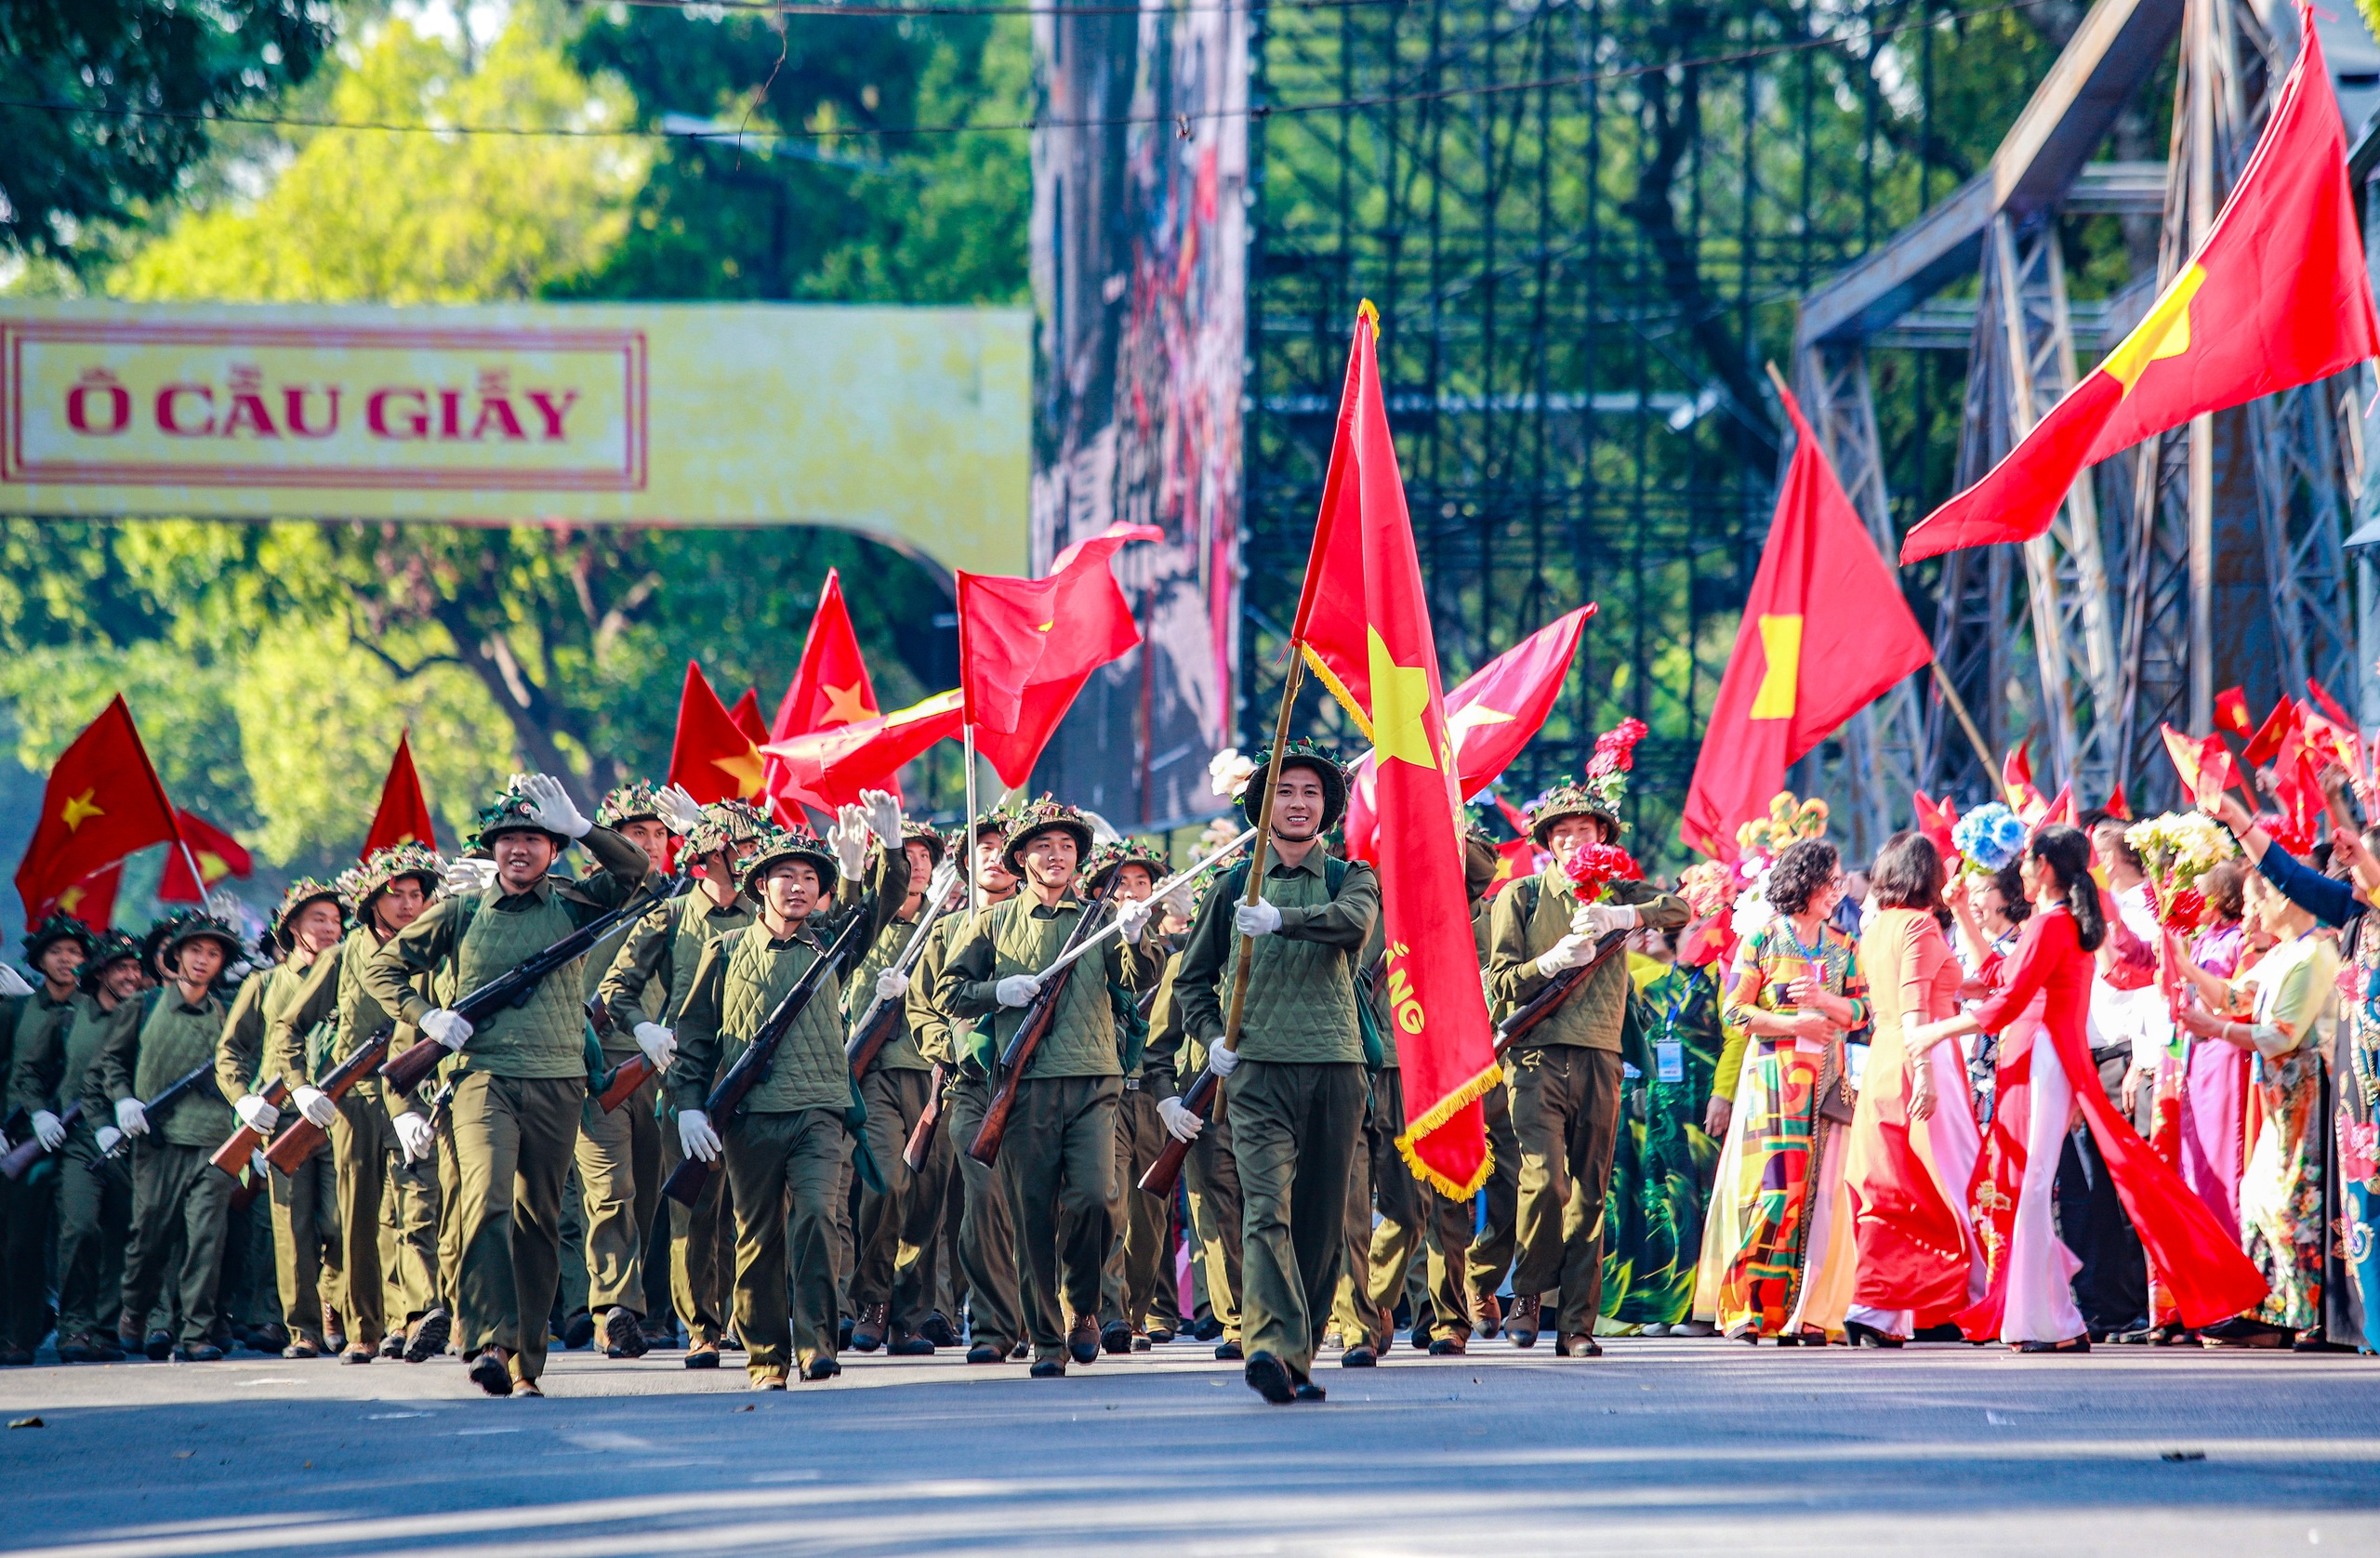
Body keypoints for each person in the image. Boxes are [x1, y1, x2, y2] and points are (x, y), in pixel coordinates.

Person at [1908, 825, 2268, 1352]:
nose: (2022, 872)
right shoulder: (2058, 923)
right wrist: (1963, 913)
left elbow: (2006, 1002)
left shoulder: (2051, 924)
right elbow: (1999, 976)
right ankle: (2053, 1318)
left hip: (2042, 1060)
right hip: (2042, 1059)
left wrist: (1936, 1030)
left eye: (2028, 862)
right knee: (2031, 1187)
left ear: (2046, 868)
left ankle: (2040, 1321)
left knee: (2032, 1189)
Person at [362, 774, 655, 1397]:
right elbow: (382, 967)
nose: (519, 849)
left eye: (534, 838)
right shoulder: (460, 912)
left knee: (537, 1221)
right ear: (492, 850)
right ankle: (488, 1339)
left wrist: (583, 828)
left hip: (557, 1079)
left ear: (552, 849)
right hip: (480, 1079)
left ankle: (525, 1362)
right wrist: (426, 1015)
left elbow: (634, 872)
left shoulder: (575, 904)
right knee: (485, 1200)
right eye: (507, 840)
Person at [670, 798, 907, 1387]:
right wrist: (690, 1108)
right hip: (750, 1117)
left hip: (820, 1112)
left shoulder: (832, 944)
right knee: (757, 1237)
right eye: (786, 876)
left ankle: (818, 1343)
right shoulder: (723, 951)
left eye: (809, 878)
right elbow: (695, 1036)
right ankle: (766, 1358)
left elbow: (877, 905)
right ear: (760, 886)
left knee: (817, 1223)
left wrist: (890, 850)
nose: (798, 887)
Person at [1168, 742, 1379, 1403]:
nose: (1297, 803)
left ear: (1326, 809)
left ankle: (1300, 1354)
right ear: (1263, 805)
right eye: (1284, 791)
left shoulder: (1351, 877)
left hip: (1336, 1069)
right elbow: (1193, 983)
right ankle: (1267, 1345)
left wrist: (1282, 920)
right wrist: (1210, 1040)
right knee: (1265, 1211)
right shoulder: (1230, 887)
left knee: (1322, 1224)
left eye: (1310, 793)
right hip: (1255, 1072)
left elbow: (1353, 927)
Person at [1488, 739, 1689, 1357]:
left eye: (1587, 830)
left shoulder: (1620, 892)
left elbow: (1681, 909)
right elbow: (1498, 983)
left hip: (1601, 1054)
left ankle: (1576, 1324)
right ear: (1548, 843)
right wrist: (1548, 962)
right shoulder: (1519, 897)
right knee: (1545, 1183)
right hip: (1535, 1054)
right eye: (1565, 833)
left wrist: (1620, 920)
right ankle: (1526, 1294)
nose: (1576, 841)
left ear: (1602, 836)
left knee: (1592, 1191)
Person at [939, 799, 1142, 1378]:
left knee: (1095, 1198)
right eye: (1045, 847)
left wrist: (1134, 936)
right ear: (1022, 856)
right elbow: (950, 990)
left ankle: (1083, 1304)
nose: (1058, 857)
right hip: (1025, 1086)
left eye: (1069, 848)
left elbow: (1135, 983)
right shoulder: (991, 922)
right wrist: (998, 991)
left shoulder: (1098, 919)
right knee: (1030, 1217)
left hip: (1093, 1080)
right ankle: (1047, 1340)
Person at [601, 798, 772, 1368]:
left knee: (757, 1207)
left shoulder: (766, 911)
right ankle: (702, 1324)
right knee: (696, 1206)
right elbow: (617, 988)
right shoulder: (670, 915)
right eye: (743, 849)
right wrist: (643, 1027)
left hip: (757, 1074)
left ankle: (755, 1318)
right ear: (710, 857)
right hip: (689, 1077)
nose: (753, 858)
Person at [1344, 831, 1501, 1359]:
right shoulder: (1361, 891)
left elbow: (1480, 869)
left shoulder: (1448, 896)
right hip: (1370, 1065)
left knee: (1433, 1205)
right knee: (1373, 1210)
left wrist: (1435, 819)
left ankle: (1420, 1311)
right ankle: (1363, 1319)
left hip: (1437, 1066)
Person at [566, 781, 701, 1356]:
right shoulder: (579, 898)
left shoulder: (677, 901)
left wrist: (703, 835)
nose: (650, 845)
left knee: (651, 1194)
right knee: (611, 1190)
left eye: (659, 835)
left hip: (660, 1068)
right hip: (597, 1067)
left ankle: (645, 1309)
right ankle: (612, 1309)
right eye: (636, 835)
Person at [1714, 837, 1867, 1343]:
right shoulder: (1761, 940)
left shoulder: (1845, 945)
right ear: (1804, 882)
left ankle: (1807, 1315)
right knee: (1771, 1193)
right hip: (1773, 1089)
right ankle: (1746, 1311)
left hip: (1827, 1088)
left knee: (1821, 1202)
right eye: (1831, 880)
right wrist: (1792, 1022)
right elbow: (1734, 1011)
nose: (1836, 890)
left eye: (1839, 881)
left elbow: (1865, 1012)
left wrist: (1826, 1002)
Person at [2175, 868, 2336, 1346]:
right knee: (2263, 1195)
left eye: (2253, 901)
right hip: (2277, 1095)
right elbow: (2234, 997)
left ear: (2283, 900)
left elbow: (2279, 1035)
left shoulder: (2313, 955)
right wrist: (2185, 968)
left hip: (2304, 1092)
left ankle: (2305, 1315)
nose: (2248, 912)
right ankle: (2268, 1309)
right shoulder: (2285, 953)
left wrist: (2215, 1029)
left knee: (2293, 1202)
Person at [1842, 832, 1979, 1346]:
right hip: (1923, 1054)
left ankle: (1885, 1305)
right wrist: (1924, 1071)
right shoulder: (1921, 925)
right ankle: (1948, 1301)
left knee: (1894, 1183)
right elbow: (1916, 1001)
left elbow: (1911, 989)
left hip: (1882, 1053)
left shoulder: (1874, 927)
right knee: (1948, 1179)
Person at [100, 912, 245, 1362]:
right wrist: (123, 1100)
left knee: (206, 1237)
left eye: (214, 953)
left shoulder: (229, 1012)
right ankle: (136, 1309)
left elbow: (244, 1065)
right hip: (157, 1141)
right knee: (150, 1237)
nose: (203, 961)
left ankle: (196, 1332)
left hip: (214, 1141)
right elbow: (111, 1064)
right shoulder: (140, 1008)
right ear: (175, 957)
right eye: (196, 951)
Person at [911, 807, 1027, 1365]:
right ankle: (992, 1327)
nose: (997, 856)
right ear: (964, 862)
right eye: (985, 848)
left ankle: (1045, 1316)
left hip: (1040, 1083)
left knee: (1043, 1206)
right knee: (983, 1207)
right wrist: (954, 1047)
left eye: (1007, 846)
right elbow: (923, 1009)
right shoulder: (946, 932)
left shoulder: (1047, 924)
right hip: (973, 1088)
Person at [222, 879, 352, 1359]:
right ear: (293, 927)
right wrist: (243, 1101)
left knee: (341, 1221)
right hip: (283, 1118)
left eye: (336, 921)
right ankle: (303, 1330)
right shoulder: (264, 984)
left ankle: (336, 1307)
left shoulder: (352, 974)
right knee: (291, 1231)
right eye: (318, 919)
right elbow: (231, 1051)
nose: (329, 928)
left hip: (339, 1114)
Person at [844, 819, 959, 1356]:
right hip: (880, 1076)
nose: (917, 864)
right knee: (886, 1184)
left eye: (925, 856)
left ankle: (911, 1316)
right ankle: (872, 1299)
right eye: (906, 854)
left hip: (935, 1073)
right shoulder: (868, 922)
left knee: (927, 1201)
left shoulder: (949, 926)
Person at [1599, 919, 1725, 1334]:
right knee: (1661, 1202)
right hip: (1658, 1110)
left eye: (1707, 927)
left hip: (1700, 1109)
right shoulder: (1653, 981)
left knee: (1696, 1201)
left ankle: (1699, 1310)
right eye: (1692, 929)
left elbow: (1735, 1041)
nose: (1700, 936)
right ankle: (1664, 1305)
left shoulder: (1722, 980)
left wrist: (1722, 1094)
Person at [1084, 838, 1177, 1354]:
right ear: (1099, 893)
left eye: (1143, 883)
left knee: (1150, 1217)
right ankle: (1110, 1311)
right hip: (1109, 1091)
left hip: (1156, 1096)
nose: (1132, 891)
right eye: (1121, 882)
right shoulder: (1088, 944)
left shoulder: (1164, 950)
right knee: (1109, 1202)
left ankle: (1135, 1311)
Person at [0, 914, 96, 1363]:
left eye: (74, 952)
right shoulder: (17, 1009)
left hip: (83, 1137)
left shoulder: (97, 1009)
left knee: (80, 1229)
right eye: (56, 952)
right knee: (21, 1239)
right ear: (39, 960)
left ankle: (79, 1328)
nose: (66, 960)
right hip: (26, 1140)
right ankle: (20, 1332)